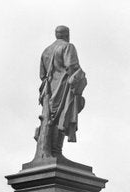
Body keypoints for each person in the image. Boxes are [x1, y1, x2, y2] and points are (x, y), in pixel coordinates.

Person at [34, 26, 87, 159]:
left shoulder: (46, 51)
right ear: (67, 35)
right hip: (64, 87)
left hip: (49, 90)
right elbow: (72, 67)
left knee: (50, 118)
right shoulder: (68, 47)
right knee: (63, 116)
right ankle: (56, 151)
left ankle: (51, 151)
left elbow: (42, 74)